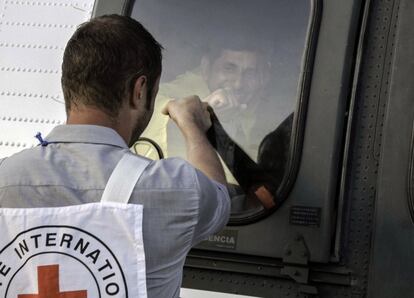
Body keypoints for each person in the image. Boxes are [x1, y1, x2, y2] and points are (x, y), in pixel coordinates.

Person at [0, 15, 230, 298]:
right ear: (139, 90)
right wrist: (191, 124)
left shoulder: (4, 178)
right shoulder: (176, 188)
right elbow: (219, 194)